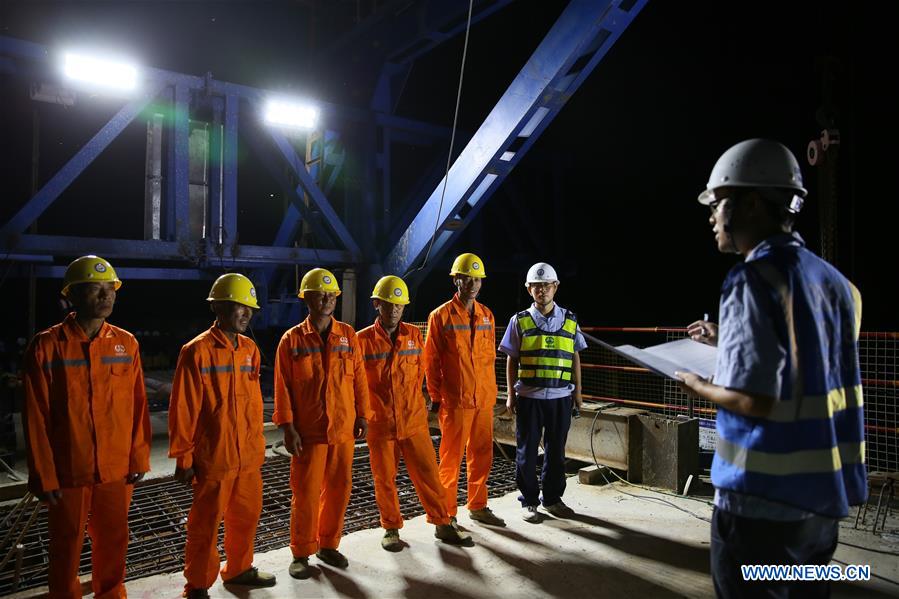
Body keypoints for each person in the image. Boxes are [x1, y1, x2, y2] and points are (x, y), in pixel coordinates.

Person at [677, 139, 867, 598]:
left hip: (759, 503)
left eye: (719, 202)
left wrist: (697, 384)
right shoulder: (836, 283)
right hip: (823, 501)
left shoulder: (751, 277)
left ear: (753, 203)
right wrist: (728, 336)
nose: (712, 216)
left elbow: (756, 400)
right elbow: (809, 356)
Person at [22, 255, 152, 598]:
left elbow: (138, 406)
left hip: (115, 469)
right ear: (72, 296)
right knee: (65, 545)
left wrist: (138, 456)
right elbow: (36, 416)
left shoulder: (127, 344)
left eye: (109, 289)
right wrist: (43, 474)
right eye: (95, 290)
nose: (105, 296)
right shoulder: (47, 346)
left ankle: (111, 594)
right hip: (69, 470)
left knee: (114, 540)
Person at [168, 273, 276, 598]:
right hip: (214, 458)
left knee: (246, 517)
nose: (245, 313)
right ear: (217, 307)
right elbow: (183, 409)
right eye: (237, 306)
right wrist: (184, 457)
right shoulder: (196, 351)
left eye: (249, 308)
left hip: (248, 458)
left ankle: (239, 569)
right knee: (205, 526)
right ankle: (198, 584)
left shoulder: (250, 350)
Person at [358, 275, 471, 550]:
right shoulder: (362, 340)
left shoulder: (414, 335)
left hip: (413, 420)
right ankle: (391, 528)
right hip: (381, 423)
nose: (394, 310)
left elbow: (421, 370)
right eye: (388, 304)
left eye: (399, 305)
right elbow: (356, 383)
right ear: (376, 304)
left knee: (429, 474)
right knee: (384, 478)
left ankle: (443, 523)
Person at [273, 268, 372, 579]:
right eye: (321, 294)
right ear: (307, 298)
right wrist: (287, 426)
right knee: (306, 492)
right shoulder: (291, 340)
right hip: (309, 432)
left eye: (332, 295)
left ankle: (329, 544)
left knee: (340, 488)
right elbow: (283, 386)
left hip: (342, 429)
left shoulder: (348, 336)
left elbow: (359, 379)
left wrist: (362, 414)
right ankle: (301, 551)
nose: (328, 299)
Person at [499, 263, 586, 523]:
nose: (542, 290)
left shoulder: (570, 319)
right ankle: (529, 501)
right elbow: (511, 359)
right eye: (536, 285)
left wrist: (578, 393)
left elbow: (575, 357)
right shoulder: (519, 320)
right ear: (529, 289)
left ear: (556, 287)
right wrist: (510, 394)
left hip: (560, 397)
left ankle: (552, 499)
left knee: (556, 451)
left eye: (547, 284)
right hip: (529, 398)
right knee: (526, 451)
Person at [423, 253, 505, 528]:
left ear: (481, 282)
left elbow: (489, 358)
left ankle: (478, 505)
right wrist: (434, 396)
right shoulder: (440, 316)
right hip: (455, 401)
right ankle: (445, 514)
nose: (471, 283)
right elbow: (431, 361)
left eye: (476, 279)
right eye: (466, 278)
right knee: (450, 460)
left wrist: (492, 394)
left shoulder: (487, 316)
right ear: (456, 280)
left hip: (482, 400)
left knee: (482, 455)